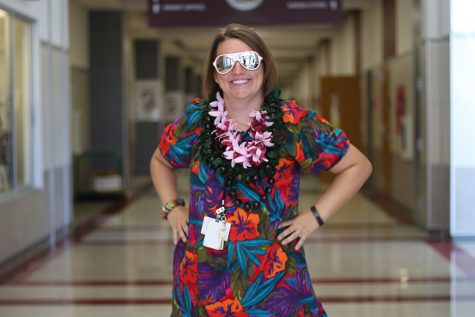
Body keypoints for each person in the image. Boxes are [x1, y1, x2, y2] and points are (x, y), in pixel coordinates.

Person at [150, 23, 372, 317]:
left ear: (264, 68)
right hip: (204, 274)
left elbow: (358, 165)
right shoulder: (196, 122)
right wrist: (172, 207)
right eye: (226, 63)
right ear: (215, 75)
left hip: (274, 275)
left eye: (249, 61)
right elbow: (161, 160)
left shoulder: (294, 123)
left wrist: (314, 217)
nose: (238, 70)